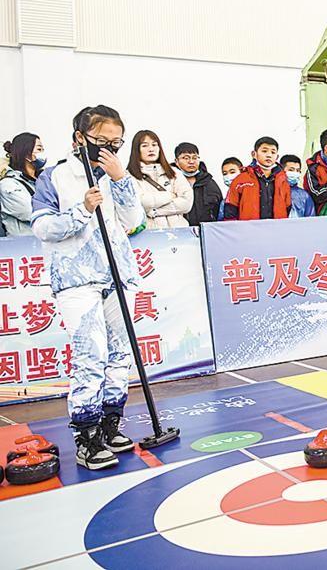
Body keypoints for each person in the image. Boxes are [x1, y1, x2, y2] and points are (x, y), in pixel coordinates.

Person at [31, 105, 146, 470]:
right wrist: (81, 209)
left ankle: (112, 422)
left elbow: (134, 220)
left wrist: (122, 179)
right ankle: (86, 433)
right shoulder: (56, 176)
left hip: (116, 274)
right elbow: (43, 227)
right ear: (80, 137)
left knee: (119, 352)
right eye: (100, 141)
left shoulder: (115, 174)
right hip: (77, 278)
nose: (108, 148)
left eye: (116, 142)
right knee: (90, 354)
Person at [127, 130, 193, 229]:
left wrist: (155, 211)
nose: (151, 149)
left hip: (180, 233)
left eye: (154, 145)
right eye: (145, 146)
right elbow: (140, 202)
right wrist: (169, 195)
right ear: (136, 150)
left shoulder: (174, 172)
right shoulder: (129, 176)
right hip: (150, 235)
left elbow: (187, 203)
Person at [223, 137, 291, 221]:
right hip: (248, 231)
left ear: (277, 157)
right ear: (254, 154)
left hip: (276, 230)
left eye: (273, 152)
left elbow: (287, 208)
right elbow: (230, 210)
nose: (269, 155)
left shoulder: (283, 181)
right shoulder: (241, 179)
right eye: (264, 151)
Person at [1, 133, 45, 237]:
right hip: (25, 248)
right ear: (26, 154)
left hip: (47, 245)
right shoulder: (8, 185)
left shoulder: (42, 181)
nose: (42, 153)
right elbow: (33, 213)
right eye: (39, 149)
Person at [173, 142, 223, 227]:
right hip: (179, 233)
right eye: (186, 158)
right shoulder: (170, 182)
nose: (191, 161)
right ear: (176, 161)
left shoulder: (209, 182)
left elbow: (218, 211)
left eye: (195, 158)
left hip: (207, 233)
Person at [279, 154, 316, 218]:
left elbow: (310, 220)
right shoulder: (273, 190)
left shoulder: (304, 195)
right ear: (281, 170)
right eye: (291, 170)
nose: (295, 173)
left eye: (298, 170)